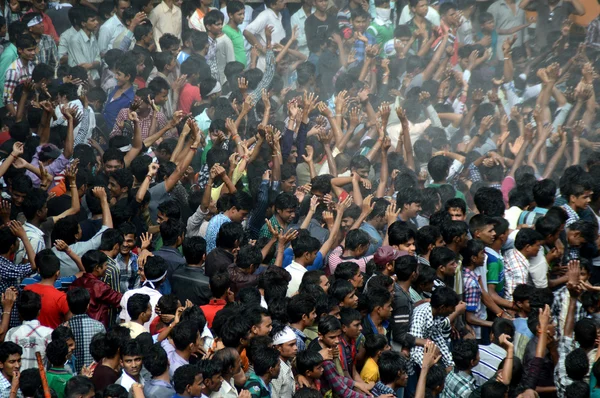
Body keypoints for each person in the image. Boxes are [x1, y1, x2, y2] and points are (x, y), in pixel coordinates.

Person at [5, 291, 53, 370]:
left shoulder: (12, 333)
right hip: (41, 380)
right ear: (39, 311)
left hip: (18, 379)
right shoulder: (49, 333)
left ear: (19, 313)